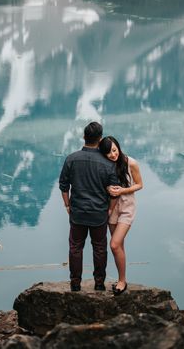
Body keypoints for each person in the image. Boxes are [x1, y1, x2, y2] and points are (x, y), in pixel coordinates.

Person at [59, 121, 118, 292]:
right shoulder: (108, 164)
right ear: (100, 140)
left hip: (77, 212)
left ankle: (75, 284)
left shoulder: (71, 159)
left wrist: (67, 205)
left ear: (84, 137)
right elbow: (114, 192)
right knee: (99, 247)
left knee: (75, 247)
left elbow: (64, 185)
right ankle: (99, 283)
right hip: (99, 213)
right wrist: (110, 209)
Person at [99, 135, 143, 295]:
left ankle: (122, 281)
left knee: (114, 244)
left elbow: (140, 184)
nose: (113, 155)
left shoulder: (130, 162)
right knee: (120, 246)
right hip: (111, 208)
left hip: (127, 208)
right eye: (108, 153)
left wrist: (122, 190)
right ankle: (121, 280)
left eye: (114, 150)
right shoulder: (104, 164)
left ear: (118, 146)